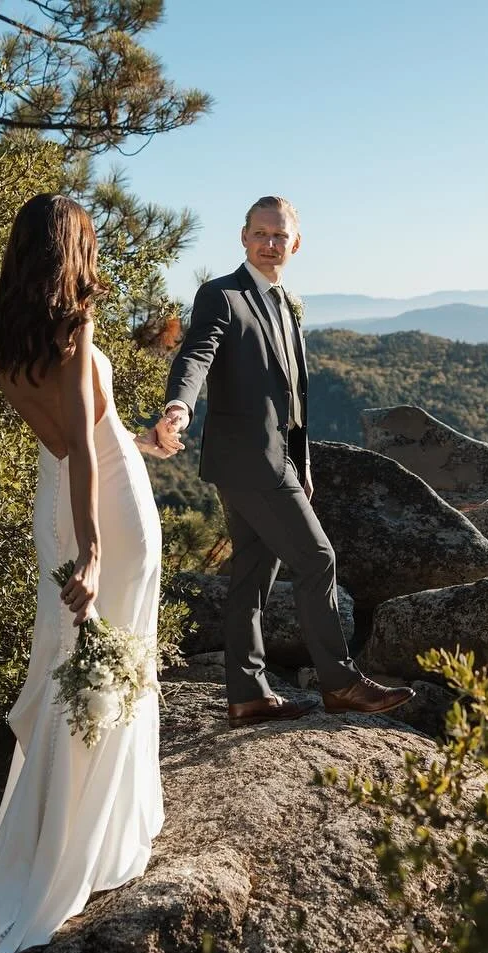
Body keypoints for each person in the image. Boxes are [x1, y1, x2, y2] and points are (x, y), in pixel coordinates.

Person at [0, 194, 179, 953]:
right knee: (117, 666)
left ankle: (53, 839)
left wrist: (138, 442)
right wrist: (96, 551)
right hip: (103, 512)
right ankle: (101, 839)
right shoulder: (75, 327)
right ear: (72, 249)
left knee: (69, 671)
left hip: (57, 506)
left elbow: (77, 437)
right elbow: (82, 441)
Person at [158, 195, 415, 728]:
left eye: (279, 236)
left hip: (278, 460)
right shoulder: (222, 295)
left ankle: (247, 695)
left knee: (252, 575)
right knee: (317, 559)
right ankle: (340, 683)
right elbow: (197, 353)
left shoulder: (283, 302)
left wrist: (304, 465)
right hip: (251, 461)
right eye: (260, 234)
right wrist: (180, 403)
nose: (269, 243)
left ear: (295, 244)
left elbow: (292, 395)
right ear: (243, 236)